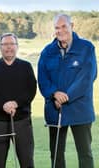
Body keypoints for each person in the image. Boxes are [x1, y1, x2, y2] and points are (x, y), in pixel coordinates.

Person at [38, 14, 97, 168]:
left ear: (72, 26)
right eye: (57, 27)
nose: (60, 30)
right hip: (55, 110)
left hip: (80, 110)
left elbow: (86, 78)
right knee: (56, 155)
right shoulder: (47, 52)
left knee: (85, 154)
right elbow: (43, 79)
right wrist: (54, 94)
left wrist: (66, 97)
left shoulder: (86, 48)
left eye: (64, 26)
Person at [0, 33, 37, 168]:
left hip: (22, 122)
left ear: (17, 46)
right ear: (0, 47)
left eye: (11, 44)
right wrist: (3, 105)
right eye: (5, 44)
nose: (8, 47)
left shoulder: (26, 66)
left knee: (27, 163)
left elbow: (31, 90)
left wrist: (15, 103)